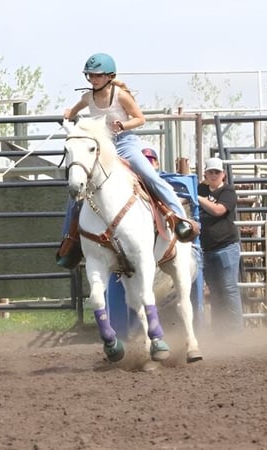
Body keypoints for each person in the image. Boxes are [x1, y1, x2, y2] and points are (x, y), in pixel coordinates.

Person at [62, 52, 198, 243]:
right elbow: (72, 112)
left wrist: (123, 125)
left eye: (98, 75)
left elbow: (140, 119)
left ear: (110, 76)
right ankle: (69, 238)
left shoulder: (121, 95)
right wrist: (68, 114)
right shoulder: (87, 97)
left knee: (150, 176)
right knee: (78, 185)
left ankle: (179, 219)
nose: (93, 79)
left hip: (125, 143)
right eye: (90, 75)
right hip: (103, 147)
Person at [197, 157, 244, 334]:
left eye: (217, 172)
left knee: (229, 288)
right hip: (207, 249)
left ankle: (236, 331)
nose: (214, 175)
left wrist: (197, 198)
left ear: (223, 174)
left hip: (226, 246)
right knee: (215, 291)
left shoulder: (228, 191)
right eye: (211, 172)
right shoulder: (201, 189)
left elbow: (218, 210)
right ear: (205, 174)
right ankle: (219, 330)